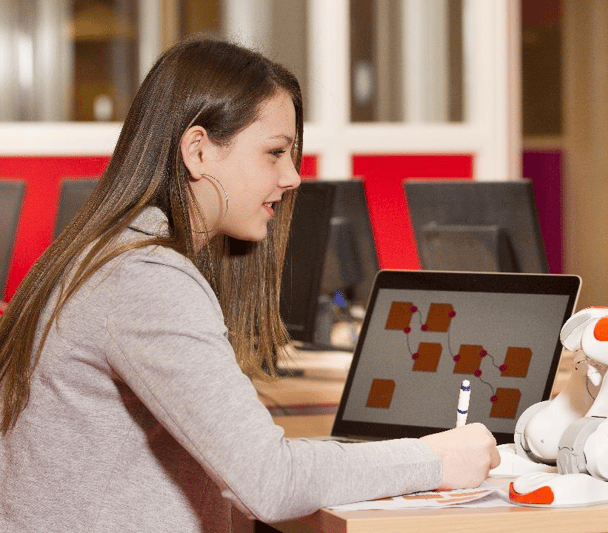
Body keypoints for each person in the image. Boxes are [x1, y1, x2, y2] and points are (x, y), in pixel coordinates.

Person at [0, 38, 499, 532]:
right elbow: (269, 480)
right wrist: (433, 458)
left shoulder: (109, 254)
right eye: (275, 153)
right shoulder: (145, 278)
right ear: (198, 151)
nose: (292, 177)